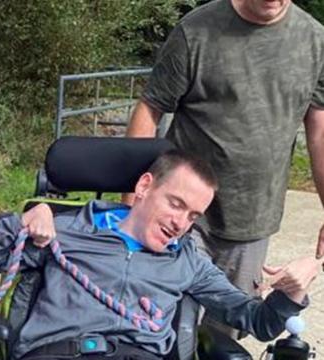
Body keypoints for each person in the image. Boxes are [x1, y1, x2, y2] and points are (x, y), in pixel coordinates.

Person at [0, 150, 319, 360]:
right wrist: (23, 222)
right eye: (176, 204)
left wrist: (292, 292)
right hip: (57, 355)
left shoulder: (188, 262)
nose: (180, 223)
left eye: (193, 216)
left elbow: (257, 320)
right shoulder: (68, 229)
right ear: (144, 186)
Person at [125, 0, 324, 332]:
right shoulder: (196, 30)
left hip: (251, 219)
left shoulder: (315, 40)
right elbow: (150, 109)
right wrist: (130, 200)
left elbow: (319, 132)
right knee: (162, 322)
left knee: (226, 332)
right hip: (184, 213)